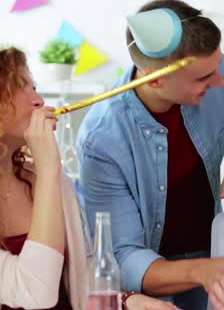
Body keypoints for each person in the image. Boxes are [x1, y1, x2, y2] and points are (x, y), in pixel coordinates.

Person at [76, 0, 224, 310]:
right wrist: (203, 271)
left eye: (217, 69)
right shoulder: (101, 141)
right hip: (155, 283)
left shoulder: (218, 70)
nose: (218, 82)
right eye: (203, 78)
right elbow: (123, 255)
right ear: (155, 78)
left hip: (212, 251)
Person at [0, 47, 178, 310]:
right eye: (19, 87)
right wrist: (49, 168)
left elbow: (82, 278)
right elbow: (36, 294)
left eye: (34, 87)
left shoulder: (54, 185)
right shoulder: (50, 177)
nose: (39, 101)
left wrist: (129, 302)